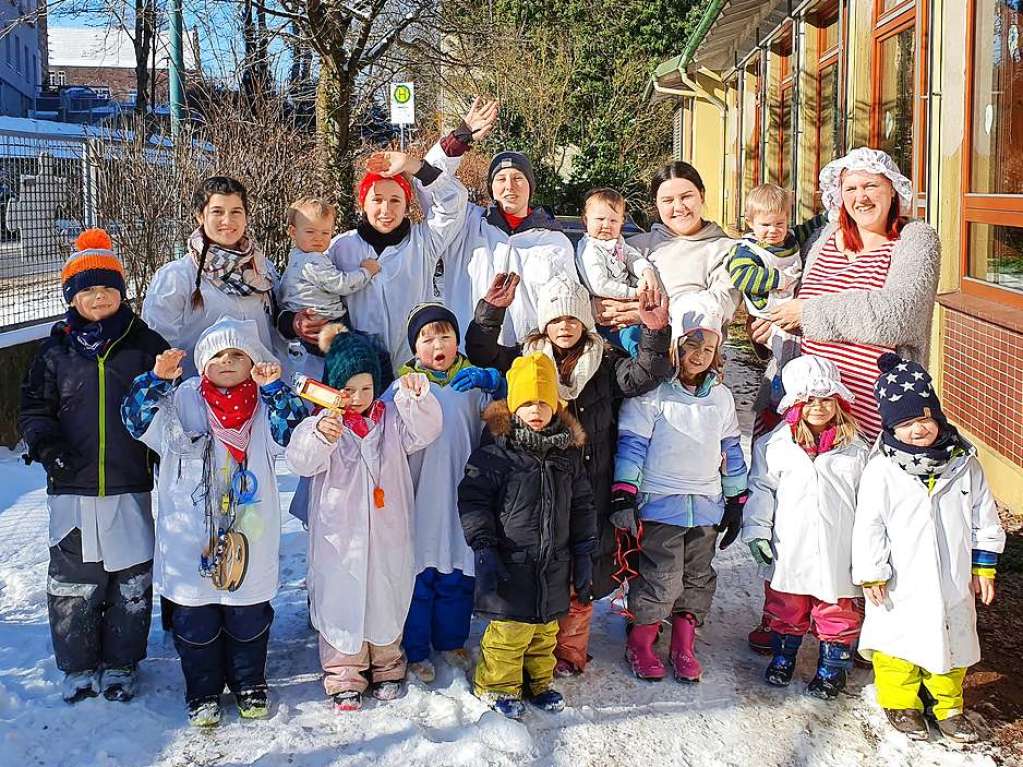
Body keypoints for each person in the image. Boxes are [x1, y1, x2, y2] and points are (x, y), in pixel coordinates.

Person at [747, 147, 942, 654]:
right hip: (816, 400)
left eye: (871, 186)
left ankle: (860, 633)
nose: (860, 197)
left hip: (878, 404)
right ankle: (785, 616)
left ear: (893, 190)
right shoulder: (827, 241)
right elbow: (798, 311)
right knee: (800, 509)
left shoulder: (915, 241)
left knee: (863, 518)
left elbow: (896, 313)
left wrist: (807, 313)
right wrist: (775, 335)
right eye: (851, 188)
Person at [465, 273, 672, 678]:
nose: (564, 327)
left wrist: (654, 332)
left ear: (585, 323)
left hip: (587, 488)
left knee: (583, 576)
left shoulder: (605, 362)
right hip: (537, 489)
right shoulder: (525, 360)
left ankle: (570, 653)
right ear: (544, 323)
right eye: (556, 319)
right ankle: (526, 652)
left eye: (573, 319)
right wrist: (490, 313)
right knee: (541, 569)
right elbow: (481, 351)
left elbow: (647, 373)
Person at [121, 318, 306, 727]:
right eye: (218, 354)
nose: (227, 361)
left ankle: (249, 683)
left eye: (238, 354)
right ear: (203, 362)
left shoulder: (263, 401)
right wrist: (155, 379)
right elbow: (133, 421)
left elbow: (293, 432)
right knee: (195, 618)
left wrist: (275, 388)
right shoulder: (180, 398)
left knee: (249, 614)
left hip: (249, 528)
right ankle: (202, 691)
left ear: (253, 362)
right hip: (191, 534)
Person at [18, 229, 168, 703]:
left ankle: (122, 663)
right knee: (73, 580)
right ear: (72, 296)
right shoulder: (55, 351)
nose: (99, 297)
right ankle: (79, 665)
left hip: (129, 482)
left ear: (122, 292)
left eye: (107, 288)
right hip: (72, 484)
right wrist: (46, 447)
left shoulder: (144, 344)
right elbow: (33, 409)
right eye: (87, 290)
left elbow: (168, 404)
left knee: (130, 579)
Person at [285, 325, 442, 713]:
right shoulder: (322, 423)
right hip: (340, 535)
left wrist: (417, 401)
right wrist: (320, 435)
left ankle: (387, 663)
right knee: (342, 596)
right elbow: (300, 460)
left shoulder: (392, 420)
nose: (357, 398)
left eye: (366, 388)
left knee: (385, 593)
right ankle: (344, 672)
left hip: (388, 529)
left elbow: (426, 431)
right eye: (348, 390)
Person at [853, 353, 1005, 743]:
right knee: (897, 643)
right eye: (904, 424)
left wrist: (983, 564)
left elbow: (982, 516)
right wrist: (872, 570)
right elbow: (870, 525)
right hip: (900, 581)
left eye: (923, 419)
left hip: (952, 576)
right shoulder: (882, 470)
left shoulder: (963, 465)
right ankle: (901, 701)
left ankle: (948, 705)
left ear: (937, 417)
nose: (917, 430)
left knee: (952, 641)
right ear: (890, 427)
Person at [611, 297, 747, 682]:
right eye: (692, 345)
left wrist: (736, 500)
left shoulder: (720, 397)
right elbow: (633, 446)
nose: (700, 356)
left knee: (698, 576)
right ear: (676, 346)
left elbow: (731, 451)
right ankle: (642, 639)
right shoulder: (654, 394)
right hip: (661, 504)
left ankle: (683, 643)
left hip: (706, 504)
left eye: (708, 348)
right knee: (661, 577)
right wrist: (624, 493)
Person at [458, 353, 597, 720]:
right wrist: (484, 547)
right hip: (511, 561)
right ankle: (496, 685)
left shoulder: (567, 455)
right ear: (513, 406)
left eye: (542, 401)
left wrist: (584, 553)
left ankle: (539, 681)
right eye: (526, 402)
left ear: (555, 404)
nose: (535, 410)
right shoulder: (495, 454)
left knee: (544, 630)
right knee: (509, 632)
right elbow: (473, 501)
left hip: (555, 562)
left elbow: (582, 506)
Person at [742, 356, 867, 699]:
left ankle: (833, 668)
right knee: (787, 606)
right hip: (791, 544)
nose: (818, 407)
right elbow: (761, 490)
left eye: (826, 399)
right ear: (795, 404)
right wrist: (756, 531)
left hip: (837, 546)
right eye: (809, 400)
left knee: (836, 609)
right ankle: (784, 656)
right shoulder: (776, 446)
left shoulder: (857, 450)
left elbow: (870, 502)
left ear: (839, 402)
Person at [280, 150, 468, 374]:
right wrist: (292, 322)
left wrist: (412, 165)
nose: (386, 210)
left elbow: (452, 202)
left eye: (395, 200)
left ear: (407, 206)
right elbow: (294, 290)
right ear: (363, 204)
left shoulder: (424, 242)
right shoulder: (339, 247)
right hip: (360, 375)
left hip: (416, 367)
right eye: (377, 200)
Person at [398, 302, 505, 683]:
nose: (437, 344)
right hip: (420, 493)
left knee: (459, 571)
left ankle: (452, 639)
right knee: (420, 571)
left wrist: (498, 383)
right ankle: (413, 648)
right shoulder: (403, 387)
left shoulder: (471, 384)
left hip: (465, 492)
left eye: (445, 335)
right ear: (414, 349)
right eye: (427, 339)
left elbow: (503, 419)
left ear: (458, 340)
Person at [425, 98, 580, 344]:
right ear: (491, 189)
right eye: (501, 179)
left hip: (531, 363)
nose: (510, 186)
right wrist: (461, 136)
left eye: (518, 178)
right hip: (469, 361)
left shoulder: (554, 242)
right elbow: (430, 184)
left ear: (530, 187)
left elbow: (569, 306)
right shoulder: (466, 224)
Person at [143, 176, 283, 378]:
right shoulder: (177, 276)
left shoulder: (262, 269)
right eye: (217, 212)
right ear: (200, 216)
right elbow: (158, 345)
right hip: (200, 400)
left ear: (246, 217)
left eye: (236, 212)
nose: (228, 221)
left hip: (261, 397)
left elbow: (276, 332)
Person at [604, 161, 738, 336]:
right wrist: (598, 305)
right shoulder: (633, 246)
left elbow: (721, 305)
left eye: (686, 197)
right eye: (668, 200)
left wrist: (649, 314)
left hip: (693, 355)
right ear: (656, 204)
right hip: (628, 358)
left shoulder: (727, 250)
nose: (679, 207)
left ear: (702, 195)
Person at [727, 183, 824, 367]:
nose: (773, 230)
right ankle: (781, 377)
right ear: (750, 222)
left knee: (799, 346)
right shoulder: (748, 250)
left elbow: (811, 226)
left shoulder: (790, 239)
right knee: (785, 353)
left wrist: (829, 216)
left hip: (790, 308)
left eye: (780, 223)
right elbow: (741, 275)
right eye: (765, 225)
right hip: (766, 312)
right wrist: (777, 279)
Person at [278, 196, 380, 354]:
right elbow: (340, 284)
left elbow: (283, 290)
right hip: (326, 323)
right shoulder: (313, 260)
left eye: (325, 233)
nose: (318, 238)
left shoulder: (295, 258)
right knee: (371, 353)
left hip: (307, 325)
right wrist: (366, 272)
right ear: (293, 231)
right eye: (310, 231)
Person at [574, 187, 658, 357]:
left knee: (648, 329)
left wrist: (646, 270)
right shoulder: (590, 249)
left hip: (627, 303)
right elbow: (599, 286)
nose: (606, 225)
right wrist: (634, 293)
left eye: (613, 221)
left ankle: (653, 353)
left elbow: (633, 257)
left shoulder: (617, 242)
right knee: (628, 335)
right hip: (604, 310)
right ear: (585, 220)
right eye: (600, 219)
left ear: (622, 222)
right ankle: (643, 358)